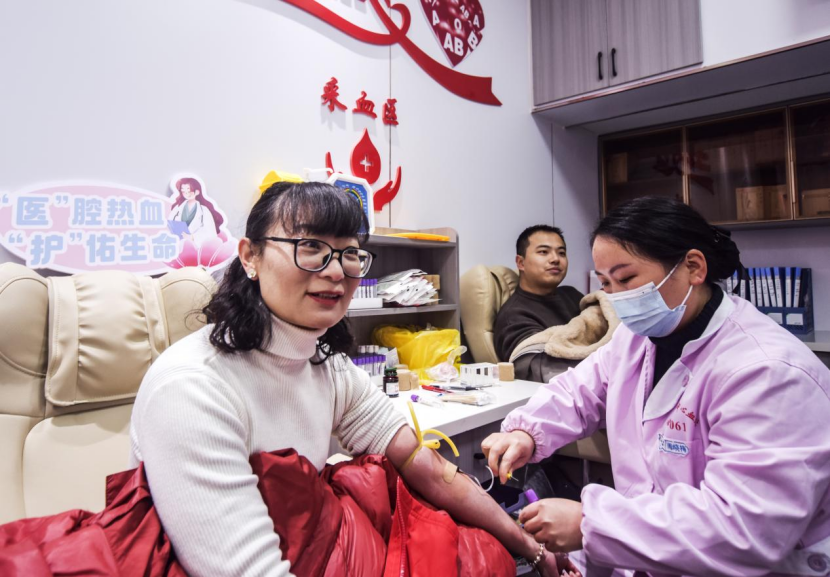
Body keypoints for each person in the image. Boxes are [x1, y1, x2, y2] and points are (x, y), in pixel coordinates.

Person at [130, 181, 576, 577]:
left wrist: (529, 547)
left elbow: (427, 467)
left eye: (349, 254)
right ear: (251, 257)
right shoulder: (193, 388)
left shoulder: (325, 364)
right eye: (310, 247)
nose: (335, 271)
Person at [483, 196, 830, 576]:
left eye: (626, 279)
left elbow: (744, 529)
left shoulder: (767, 371)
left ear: (693, 267)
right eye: (605, 283)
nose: (616, 297)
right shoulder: (636, 339)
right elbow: (579, 391)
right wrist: (526, 432)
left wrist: (590, 524)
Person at [493, 225, 584, 382]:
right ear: (521, 263)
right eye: (543, 252)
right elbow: (545, 371)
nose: (555, 259)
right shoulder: (514, 316)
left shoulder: (572, 294)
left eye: (561, 253)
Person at [167, 176, 223, 245]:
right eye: (183, 191)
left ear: (197, 192)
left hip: (196, 246)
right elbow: (169, 225)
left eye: (189, 191)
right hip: (178, 244)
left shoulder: (204, 210)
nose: (186, 193)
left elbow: (211, 233)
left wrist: (193, 237)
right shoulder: (177, 208)